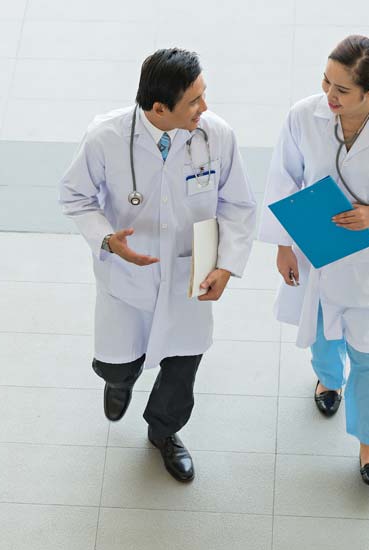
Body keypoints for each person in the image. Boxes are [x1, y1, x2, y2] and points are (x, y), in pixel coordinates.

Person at [59, 48, 256, 482]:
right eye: (194, 101)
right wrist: (107, 240)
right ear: (160, 108)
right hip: (128, 272)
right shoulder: (106, 137)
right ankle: (120, 380)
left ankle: (164, 433)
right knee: (117, 362)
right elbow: (75, 196)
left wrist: (226, 264)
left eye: (203, 95)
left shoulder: (216, 135)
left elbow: (238, 205)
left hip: (192, 270)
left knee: (183, 365)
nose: (204, 107)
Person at [258, 35, 369, 485]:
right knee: (321, 329)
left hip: (368, 256)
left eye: (341, 90)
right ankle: (328, 380)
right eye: (326, 82)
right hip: (314, 245)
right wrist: (282, 245)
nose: (329, 96)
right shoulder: (303, 116)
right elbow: (283, 177)